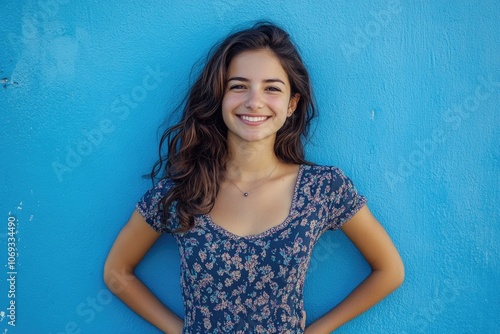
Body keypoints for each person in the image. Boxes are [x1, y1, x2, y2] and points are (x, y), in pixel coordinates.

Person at [104, 21, 404, 334]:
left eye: (272, 88)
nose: (254, 101)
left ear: (292, 104)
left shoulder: (322, 189)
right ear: (219, 96)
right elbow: (117, 272)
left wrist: (315, 332)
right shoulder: (183, 190)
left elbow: (390, 271)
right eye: (238, 86)